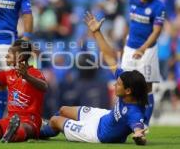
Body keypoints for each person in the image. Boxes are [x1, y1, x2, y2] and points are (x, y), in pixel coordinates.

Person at [39, 12, 148, 145]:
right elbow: (109, 57)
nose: (115, 85)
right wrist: (97, 32)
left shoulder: (134, 111)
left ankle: (38, 132)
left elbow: (138, 130)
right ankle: (50, 127)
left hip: (96, 133)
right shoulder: (125, 81)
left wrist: (139, 136)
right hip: (102, 117)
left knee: (56, 120)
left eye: (118, 84)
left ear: (128, 91)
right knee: (63, 110)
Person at [121, 0, 165, 126]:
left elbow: (157, 31)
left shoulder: (159, 6)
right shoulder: (132, 0)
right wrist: (126, 43)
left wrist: (142, 48)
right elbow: (132, 24)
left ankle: (144, 124)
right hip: (129, 48)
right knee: (123, 83)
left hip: (148, 51)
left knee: (147, 87)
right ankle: (124, 120)